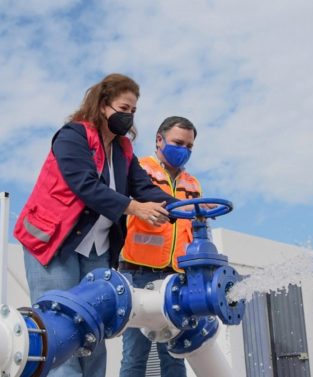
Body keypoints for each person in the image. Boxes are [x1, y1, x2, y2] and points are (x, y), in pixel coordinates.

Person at [14, 73, 178, 377]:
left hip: (95, 250)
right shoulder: (73, 136)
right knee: (61, 328)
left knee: (94, 329)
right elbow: (83, 184)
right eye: (123, 108)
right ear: (103, 105)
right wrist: (133, 208)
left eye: (133, 111)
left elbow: (143, 187)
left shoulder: (123, 150)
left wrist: (184, 208)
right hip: (54, 243)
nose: (128, 116)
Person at [118, 116, 201, 377]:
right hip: (138, 273)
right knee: (135, 354)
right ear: (159, 140)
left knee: (175, 353)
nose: (184, 150)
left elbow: (194, 229)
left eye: (189, 146)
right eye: (178, 142)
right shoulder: (139, 169)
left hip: (176, 277)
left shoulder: (193, 184)